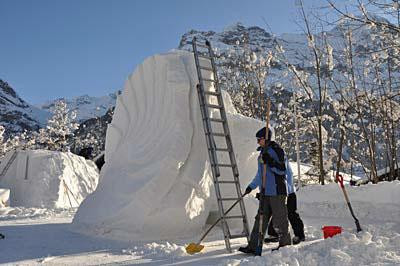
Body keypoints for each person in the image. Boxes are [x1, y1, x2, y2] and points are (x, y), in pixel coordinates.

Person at [238, 127, 291, 254]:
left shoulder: (277, 151)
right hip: (265, 193)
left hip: (277, 192)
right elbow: (260, 174)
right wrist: (251, 186)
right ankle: (253, 245)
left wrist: (271, 162)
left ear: (265, 138)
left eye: (259, 139)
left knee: (279, 220)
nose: (258, 142)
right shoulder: (262, 153)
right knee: (260, 219)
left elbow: (283, 170)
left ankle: (285, 246)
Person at [265, 158, 305, 245]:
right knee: (277, 212)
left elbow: (288, 175)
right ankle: (274, 233)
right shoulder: (270, 160)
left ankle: (300, 235)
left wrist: (287, 190)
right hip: (278, 192)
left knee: (291, 213)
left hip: (289, 192)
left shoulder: (282, 160)